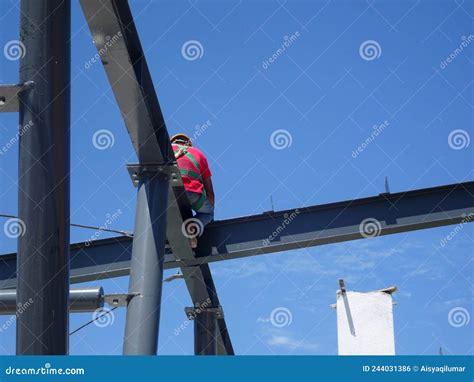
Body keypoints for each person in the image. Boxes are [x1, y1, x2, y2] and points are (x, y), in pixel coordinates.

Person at [171, 133, 215, 248]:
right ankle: (192, 229)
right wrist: (211, 207)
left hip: (168, 193)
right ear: (188, 143)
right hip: (192, 193)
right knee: (207, 213)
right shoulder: (198, 153)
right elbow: (209, 189)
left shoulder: (166, 150)